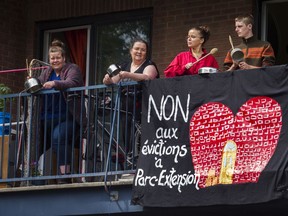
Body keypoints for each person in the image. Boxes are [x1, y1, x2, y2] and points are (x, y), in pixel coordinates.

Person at [103, 38, 159, 170]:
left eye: (143, 50)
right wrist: (107, 79)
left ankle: (140, 167)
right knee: (126, 136)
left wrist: (128, 75)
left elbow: (147, 77)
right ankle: (129, 166)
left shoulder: (149, 65)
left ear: (146, 52)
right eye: (137, 49)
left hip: (143, 107)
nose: (139, 52)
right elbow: (113, 79)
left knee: (140, 137)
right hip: (124, 108)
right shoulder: (123, 65)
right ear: (131, 50)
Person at [37, 39, 86, 184]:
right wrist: (32, 83)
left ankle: (64, 176)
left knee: (58, 137)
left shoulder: (72, 69)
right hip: (46, 117)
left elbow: (72, 82)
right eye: (52, 58)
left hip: (68, 117)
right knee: (33, 140)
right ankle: (29, 174)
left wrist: (55, 84)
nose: (55, 60)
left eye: (58, 57)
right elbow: (38, 83)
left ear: (64, 58)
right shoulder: (46, 72)